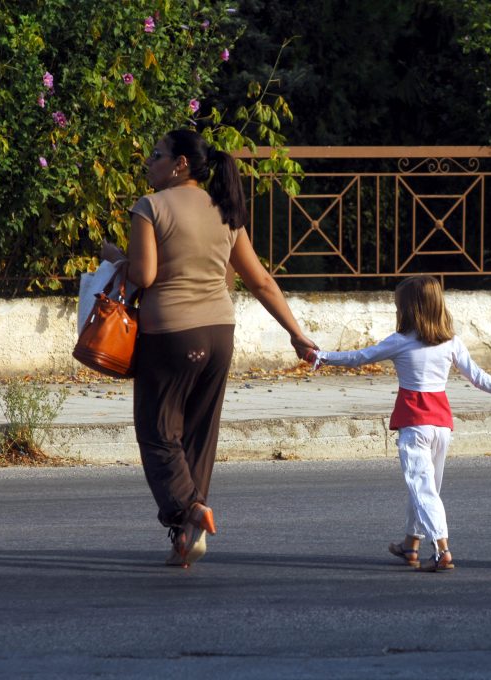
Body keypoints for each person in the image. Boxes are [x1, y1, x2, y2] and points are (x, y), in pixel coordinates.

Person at [101, 129, 316, 568]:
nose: (149, 162)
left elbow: (143, 276)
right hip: (220, 333)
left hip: (170, 334)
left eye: (156, 155)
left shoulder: (151, 207)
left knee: (159, 432)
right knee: (199, 434)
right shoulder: (226, 211)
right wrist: (296, 334)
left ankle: (187, 510)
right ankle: (186, 537)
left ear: (180, 164)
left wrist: (114, 257)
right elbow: (261, 281)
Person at [308, 276, 491, 572]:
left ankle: (442, 550)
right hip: (442, 426)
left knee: (422, 489)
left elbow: (359, 357)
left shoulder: (400, 342)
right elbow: (479, 377)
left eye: (398, 306)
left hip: (415, 424)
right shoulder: (452, 343)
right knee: (424, 487)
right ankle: (411, 545)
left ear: (409, 310)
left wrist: (322, 357)